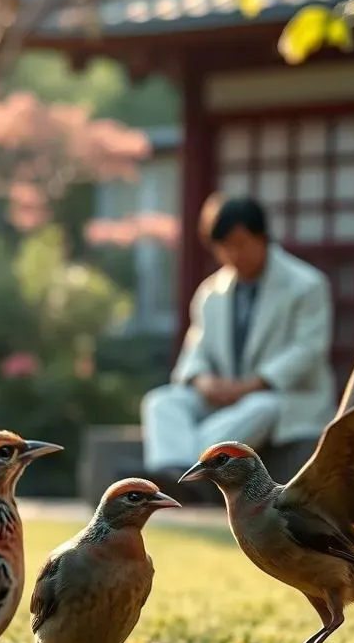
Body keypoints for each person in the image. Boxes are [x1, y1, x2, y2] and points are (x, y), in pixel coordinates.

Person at [141, 194, 335, 497]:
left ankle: (187, 474)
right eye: (223, 246)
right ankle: (174, 471)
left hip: (280, 397)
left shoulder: (307, 284)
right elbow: (197, 350)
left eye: (240, 243)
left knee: (261, 406)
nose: (232, 253)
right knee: (161, 401)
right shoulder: (211, 291)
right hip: (224, 396)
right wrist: (204, 381)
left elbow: (308, 350)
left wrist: (250, 385)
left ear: (262, 237)